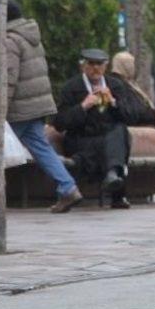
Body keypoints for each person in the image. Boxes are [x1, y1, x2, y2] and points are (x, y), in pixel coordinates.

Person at [0, 0, 82, 213]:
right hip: (35, 106)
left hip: (18, 109)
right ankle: (68, 188)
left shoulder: (8, 41)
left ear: (4, 16)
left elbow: (7, 79)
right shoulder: (30, 37)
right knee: (42, 148)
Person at [53, 48, 132, 210]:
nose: (96, 68)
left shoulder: (115, 86)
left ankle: (111, 174)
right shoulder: (71, 87)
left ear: (106, 66)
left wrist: (113, 102)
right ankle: (115, 183)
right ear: (82, 66)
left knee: (119, 131)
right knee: (110, 147)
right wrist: (83, 107)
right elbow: (59, 123)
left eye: (100, 64)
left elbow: (130, 117)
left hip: (108, 139)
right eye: (91, 64)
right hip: (82, 140)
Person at [110, 52, 155, 182]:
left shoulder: (128, 82)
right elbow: (133, 110)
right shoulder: (118, 84)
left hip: (146, 123)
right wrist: (149, 113)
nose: (132, 67)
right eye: (129, 64)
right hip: (139, 125)